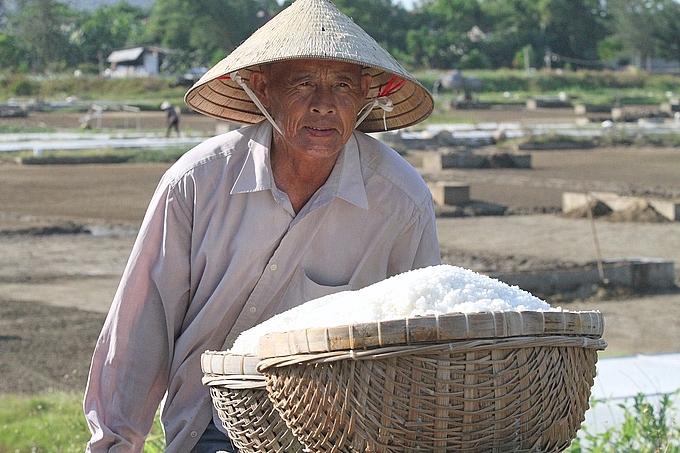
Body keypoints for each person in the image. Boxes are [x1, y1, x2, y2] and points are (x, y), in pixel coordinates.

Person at [83, 0, 440, 452]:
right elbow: (142, 325)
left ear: (367, 94)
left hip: (340, 432)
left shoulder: (400, 199)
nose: (324, 105)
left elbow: (423, 339)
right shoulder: (197, 183)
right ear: (262, 88)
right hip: (211, 427)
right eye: (304, 83)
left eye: (343, 86)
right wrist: (116, 442)